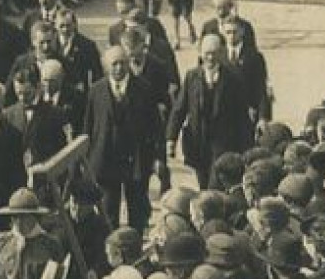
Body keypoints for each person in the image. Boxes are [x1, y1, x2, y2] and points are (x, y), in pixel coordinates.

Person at [85, 45, 161, 232]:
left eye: (123, 63)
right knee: (108, 210)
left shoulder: (143, 88)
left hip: (135, 160)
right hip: (106, 159)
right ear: (106, 66)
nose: (119, 68)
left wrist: (159, 157)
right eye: (114, 64)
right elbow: (88, 126)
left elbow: (156, 126)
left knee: (138, 210)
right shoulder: (96, 90)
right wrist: (86, 159)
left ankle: (135, 248)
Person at [169, 34, 254, 191]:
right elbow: (179, 109)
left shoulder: (233, 78)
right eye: (207, 53)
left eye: (214, 53)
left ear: (221, 53)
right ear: (200, 53)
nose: (210, 57)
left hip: (223, 143)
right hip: (197, 142)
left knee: (214, 185)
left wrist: (247, 146)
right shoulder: (191, 76)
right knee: (203, 182)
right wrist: (171, 138)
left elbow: (242, 116)